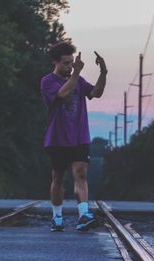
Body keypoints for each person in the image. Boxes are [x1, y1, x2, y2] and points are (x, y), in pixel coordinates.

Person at [41, 42, 107, 232]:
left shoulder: (79, 80)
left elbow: (96, 93)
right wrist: (77, 73)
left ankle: (83, 215)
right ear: (55, 62)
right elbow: (62, 93)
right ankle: (57, 217)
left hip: (79, 136)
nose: (70, 66)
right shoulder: (47, 81)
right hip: (57, 138)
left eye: (72, 63)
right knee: (58, 178)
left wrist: (103, 73)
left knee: (81, 174)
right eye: (66, 63)